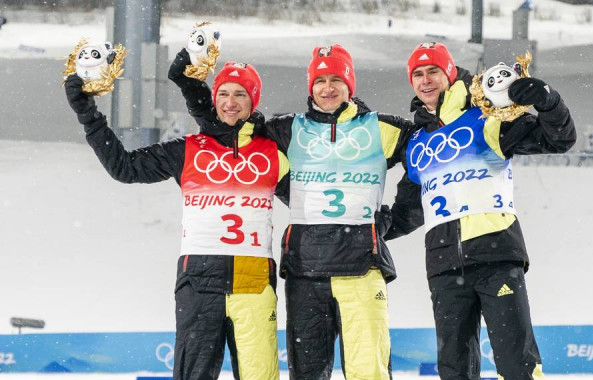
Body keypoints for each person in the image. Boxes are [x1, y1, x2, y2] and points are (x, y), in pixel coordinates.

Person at [170, 44, 416, 380]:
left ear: (350, 85)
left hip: (361, 267)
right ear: (310, 86)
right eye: (320, 80)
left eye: (335, 79)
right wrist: (191, 86)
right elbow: (228, 126)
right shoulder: (286, 130)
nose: (327, 88)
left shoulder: (383, 128)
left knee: (368, 372)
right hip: (305, 271)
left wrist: (392, 220)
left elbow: (430, 158)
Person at [65, 62, 286, 380]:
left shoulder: (272, 151)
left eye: (240, 94)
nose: (230, 101)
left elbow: (308, 198)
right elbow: (124, 167)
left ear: (254, 101)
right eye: (223, 93)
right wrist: (86, 111)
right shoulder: (189, 149)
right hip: (198, 284)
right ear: (214, 98)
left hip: (254, 286)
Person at [386, 42, 576, 380]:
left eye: (433, 71)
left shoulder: (486, 118)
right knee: (455, 370)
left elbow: (558, 139)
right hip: (444, 266)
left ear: (450, 74)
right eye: (417, 74)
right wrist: (364, 230)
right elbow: (405, 213)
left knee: (518, 365)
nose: (425, 80)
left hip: (496, 255)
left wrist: (548, 101)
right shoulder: (416, 142)